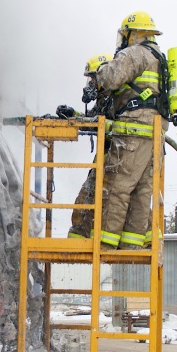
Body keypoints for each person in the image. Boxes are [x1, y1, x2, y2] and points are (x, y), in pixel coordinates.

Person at [92, 11, 168, 250]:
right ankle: (131, 244)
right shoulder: (160, 58)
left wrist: (100, 70)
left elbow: (110, 78)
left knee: (118, 186)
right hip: (154, 135)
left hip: (133, 132)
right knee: (142, 191)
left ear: (133, 34)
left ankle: (105, 243)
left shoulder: (135, 53)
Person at [66, 53, 113, 240]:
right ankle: (78, 241)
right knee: (85, 202)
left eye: (93, 79)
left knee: (90, 202)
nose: (90, 84)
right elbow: (91, 120)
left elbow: (106, 124)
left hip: (113, 159)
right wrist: (73, 114)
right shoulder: (104, 100)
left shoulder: (116, 99)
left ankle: (82, 241)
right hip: (105, 157)